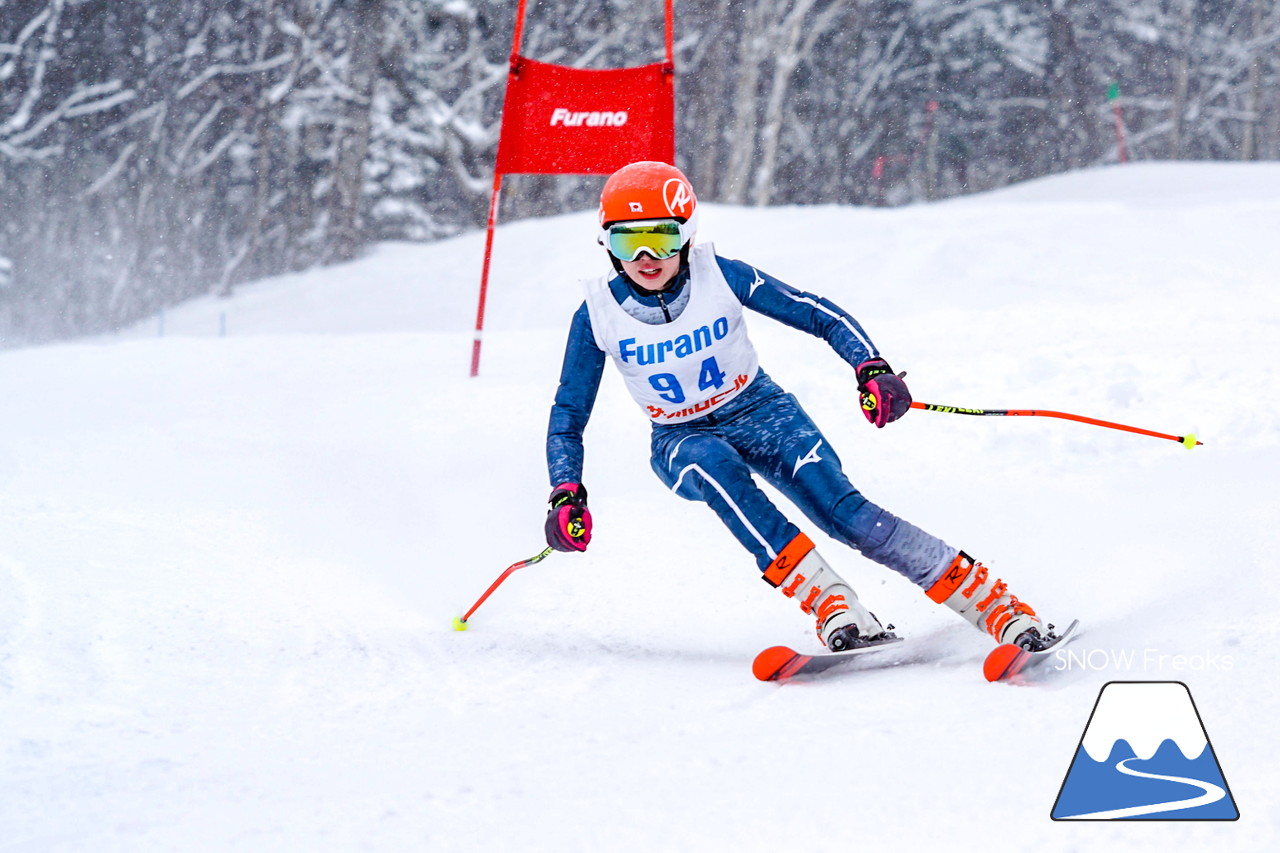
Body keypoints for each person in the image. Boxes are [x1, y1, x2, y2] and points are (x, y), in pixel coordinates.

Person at [543, 160, 1054, 652]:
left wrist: (870, 367)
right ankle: (830, 601)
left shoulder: (719, 274)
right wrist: (566, 492)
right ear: (607, 245)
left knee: (843, 512)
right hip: (680, 437)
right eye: (627, 241)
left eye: (661, 237)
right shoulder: (597, 315)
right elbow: (568, 416)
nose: (645, 257)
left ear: (687, 235)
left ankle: (996, 607)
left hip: (760, 409)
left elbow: (817, 313)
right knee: (715, 466)